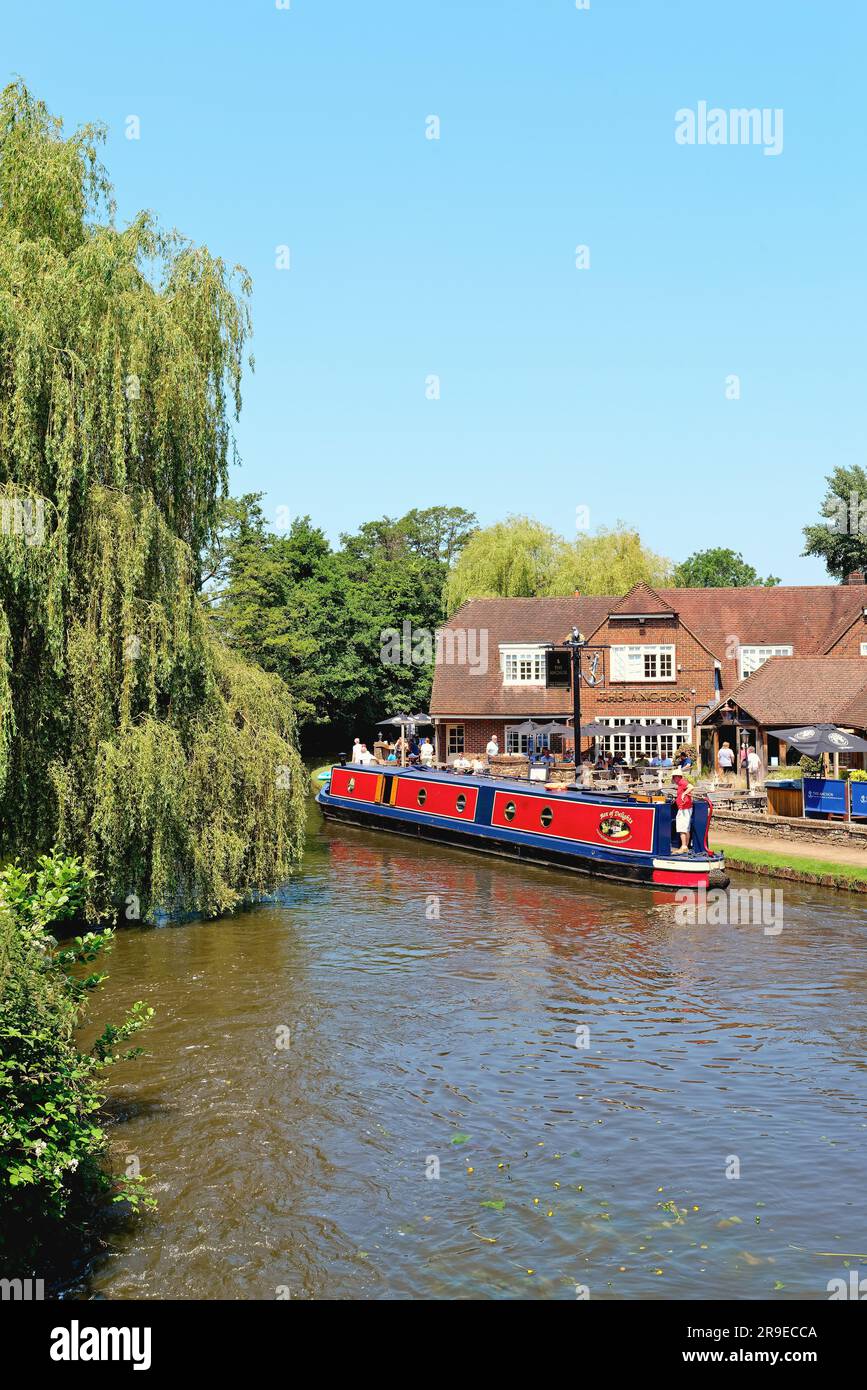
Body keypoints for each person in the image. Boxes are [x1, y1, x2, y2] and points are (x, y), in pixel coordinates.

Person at [673, 773, 693, 853]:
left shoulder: (682, 782)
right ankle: (686, 846)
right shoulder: (681, 783)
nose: (673, 779)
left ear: (677, 777)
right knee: (686, 828)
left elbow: (691, 787)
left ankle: (684, 846)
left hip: (684, 808)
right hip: (685, 808)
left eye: (674, 777)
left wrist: (684, 794)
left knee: (682, 828)